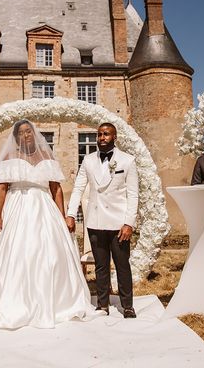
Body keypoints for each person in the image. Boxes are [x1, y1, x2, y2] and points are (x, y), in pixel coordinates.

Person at [0, 120, 95, 329]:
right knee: (16, 251)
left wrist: (62, 215)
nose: (26, 135)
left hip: (43, 207)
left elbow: (56, 189)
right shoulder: (9, 157)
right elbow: (1, 188)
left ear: (34, 133)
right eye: (21, 133)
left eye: (28, 131)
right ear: (16, 138)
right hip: (16, 207)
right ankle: (12, 298)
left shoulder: (47, 156)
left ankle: (57, 299)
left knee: (48, 252)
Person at [66, 122, 138, 318]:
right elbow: (78, 188)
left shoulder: (127, 161)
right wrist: (71, 214)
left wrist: (129, 223)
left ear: (114, 137)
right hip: (95, 221)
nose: (101, 138)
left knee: (122, 265)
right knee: (101, 265)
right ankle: (102, 304)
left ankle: (128, 305)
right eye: (99, 135)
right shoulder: (88, 160)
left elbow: (133, 195)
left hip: (119, 223)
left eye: (106, 134)